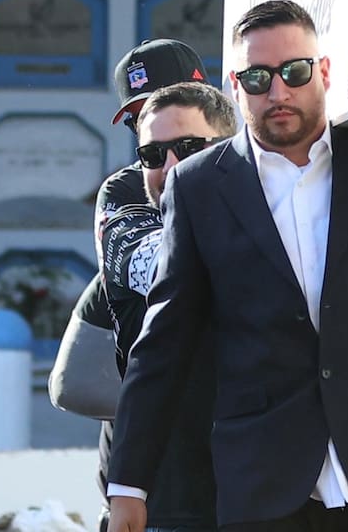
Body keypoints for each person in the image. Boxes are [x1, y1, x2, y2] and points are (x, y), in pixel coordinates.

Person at [107, 0, 348, 532]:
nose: (278, 92)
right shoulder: (197, 186)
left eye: (294, 71)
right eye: (258, 77)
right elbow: (163, 340)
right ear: (235, 85)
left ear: (324, 72)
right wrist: (128, 483)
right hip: (265, 478)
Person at [49, 39, 211, 532]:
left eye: (169, 102)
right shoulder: (126, 189)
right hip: (156, 475)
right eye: (142, 114)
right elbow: (155, 266)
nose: (157, 121)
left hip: (248, 467)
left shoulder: (256, 177)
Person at [101, 81, 239, 532]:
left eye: (189, 147)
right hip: (170, 495)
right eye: (153, 154)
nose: (172, 166)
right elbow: (167, 265)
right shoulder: (123, 202)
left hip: (268, 485)